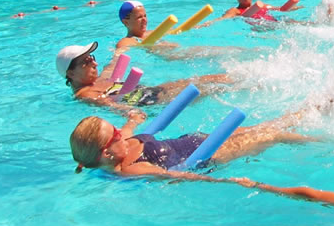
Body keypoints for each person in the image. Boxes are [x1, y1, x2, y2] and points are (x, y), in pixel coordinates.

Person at [70, 104, 316, 179]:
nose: (119, 133)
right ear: (106, 153)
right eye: (113, 135)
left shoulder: (116, 148)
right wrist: (222, 180)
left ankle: (311, 111)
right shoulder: (130, 168)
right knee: (271, 136)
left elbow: (124, 130)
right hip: (208, 156)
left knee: (261, 127)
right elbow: (177, 177)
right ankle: (321, 140)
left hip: (195, 141)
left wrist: (133, 120)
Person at [57, 41, 230, 108]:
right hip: (150, 102)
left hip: (148, 90)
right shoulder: (85, 94)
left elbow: (111, 67)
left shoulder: (98, 80)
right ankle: (246, 84)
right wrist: (131, 115)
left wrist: (119, 51)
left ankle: (238, 77)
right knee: (206, 88)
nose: (94, 63)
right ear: (71, 73)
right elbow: (111, 105)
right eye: (86, 62)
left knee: (200, 80)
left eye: (92, 58)